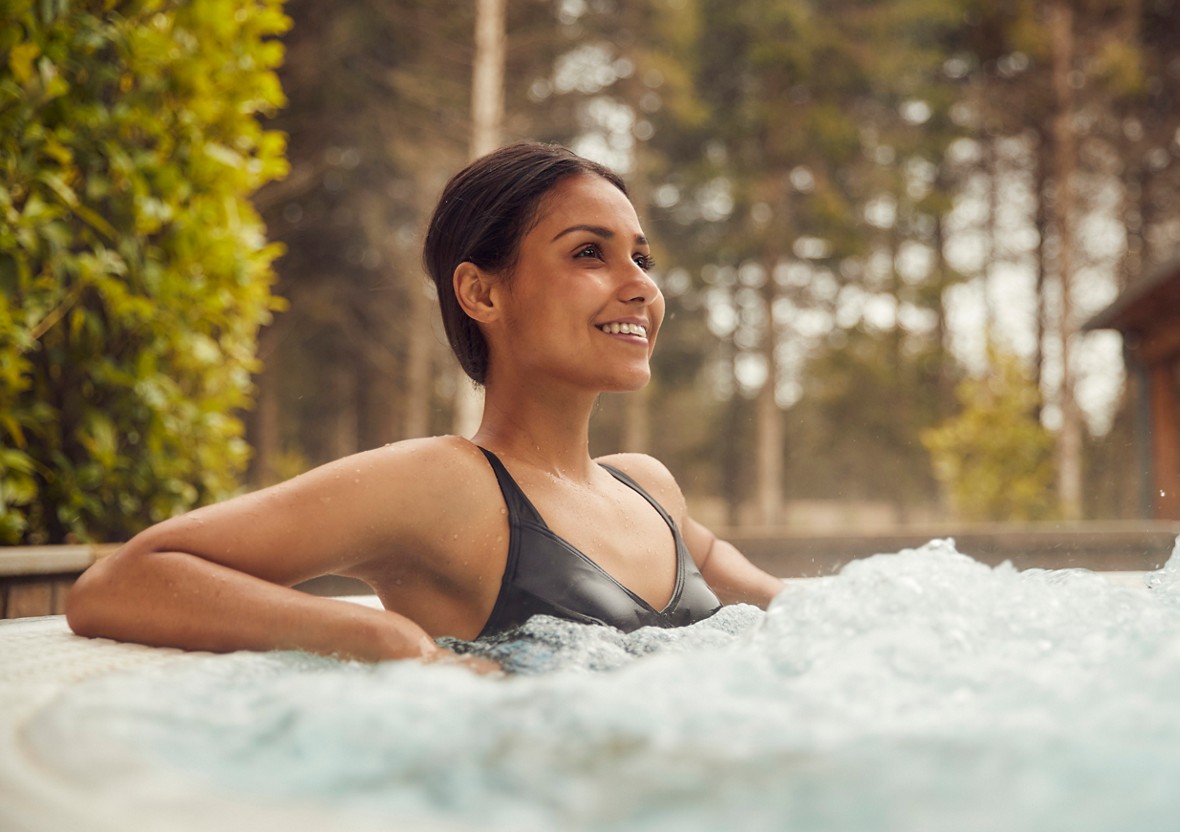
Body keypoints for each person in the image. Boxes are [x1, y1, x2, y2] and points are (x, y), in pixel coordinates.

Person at [66, 142, 783, 670]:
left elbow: (799, 616)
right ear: (482, 293)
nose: (640, 287)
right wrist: (384, 640)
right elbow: (122, 581)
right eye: (590, 253)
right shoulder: (447, 485)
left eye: (641, 260)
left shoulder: (649, 488)